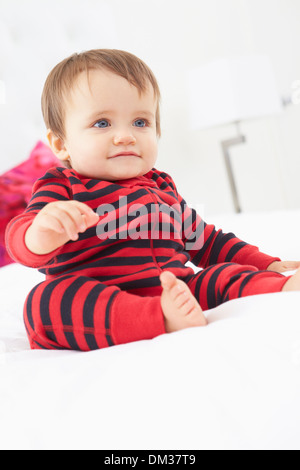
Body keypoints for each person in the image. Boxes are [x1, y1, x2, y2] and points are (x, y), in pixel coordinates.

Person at [5, 49, 300, 351]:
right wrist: (38, 234)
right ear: (61, 143)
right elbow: (18, 239)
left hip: (176, 289)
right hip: (102, 301)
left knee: (223, 276)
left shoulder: (161, 186)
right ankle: (157, 319)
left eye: (141, 122)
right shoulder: (61, 186)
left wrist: (268, 265)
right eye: (102, 123)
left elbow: (207, 242)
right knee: (44, 303)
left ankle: (283, 286)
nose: (126, 136)